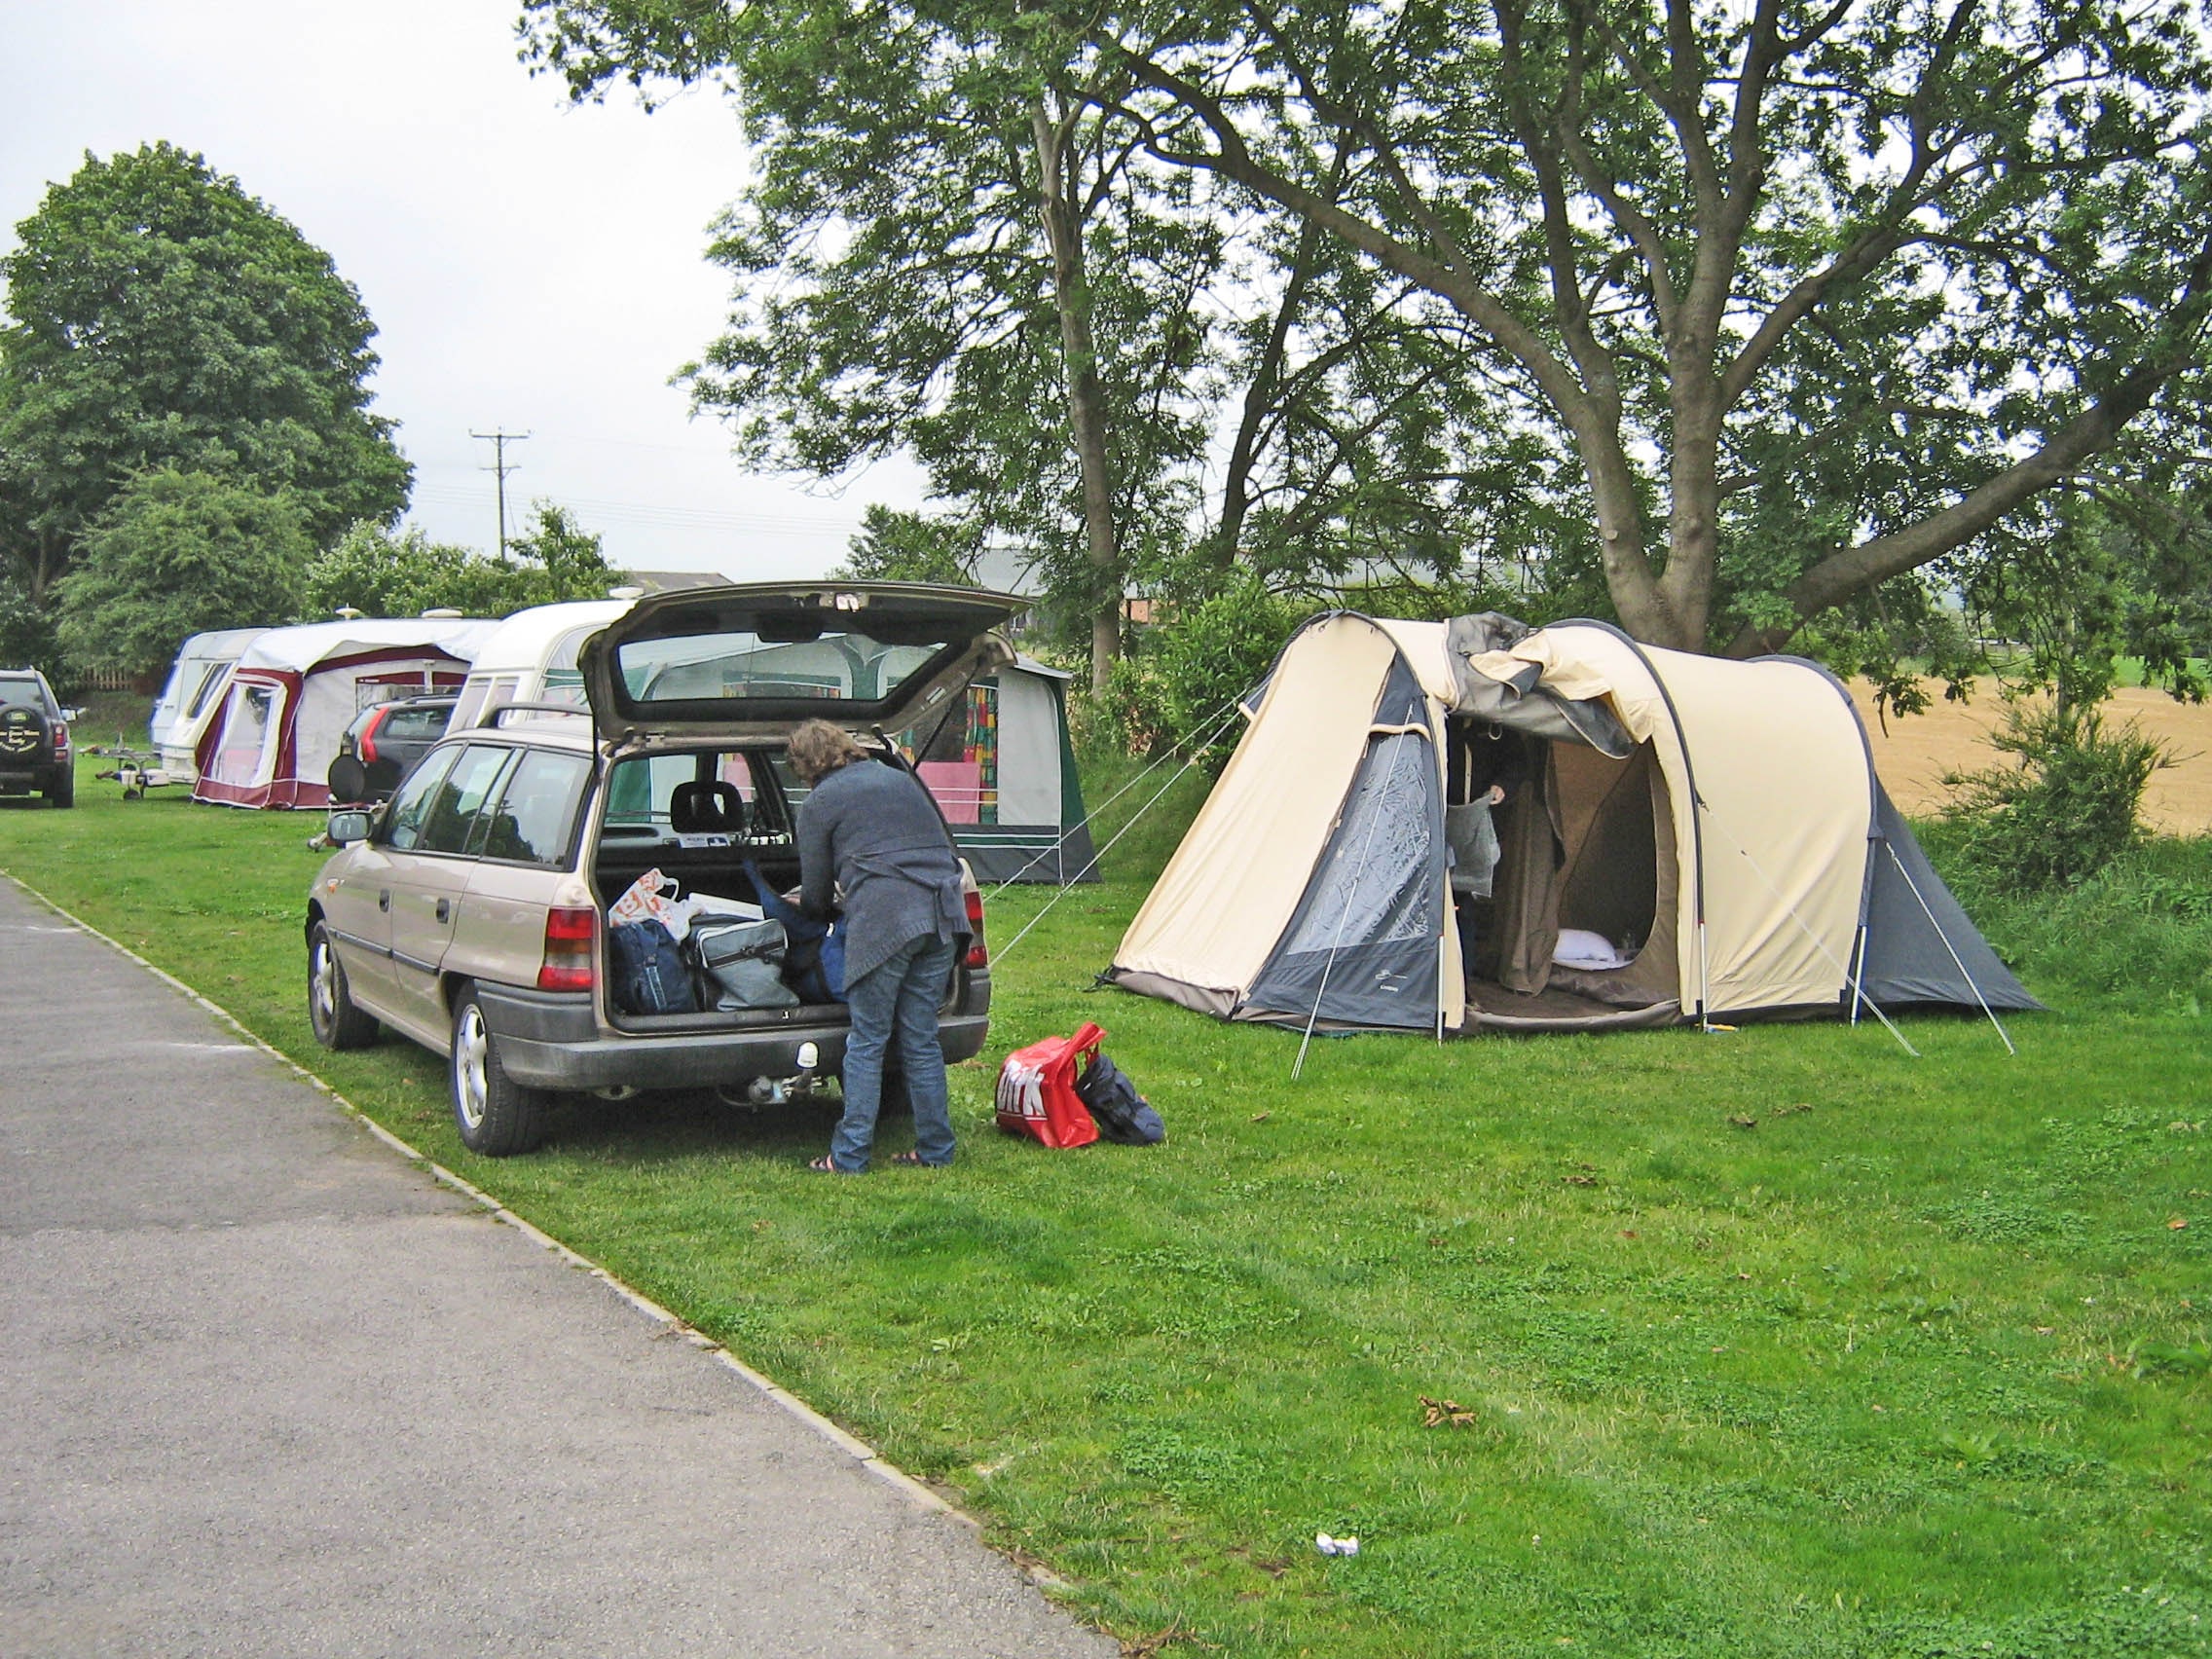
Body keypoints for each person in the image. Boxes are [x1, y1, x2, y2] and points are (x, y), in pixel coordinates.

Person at [788, 719, 967, 1172]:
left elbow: (814, 895)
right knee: (921, 1038)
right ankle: (936, 1151)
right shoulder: (897, 776)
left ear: (805, 764)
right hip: (943, 912)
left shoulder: (820, 802)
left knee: (867, 1040)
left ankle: (848, 1157)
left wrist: (804, 909)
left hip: (886, 919)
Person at [1445, 721, 1529, 978]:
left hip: (1478, 824)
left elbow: (1517, 761)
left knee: (1464, 904)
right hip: (1436, 819)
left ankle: (1463, 982)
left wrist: (1503, 784)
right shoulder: (1442, 717)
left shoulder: (1496, 723)